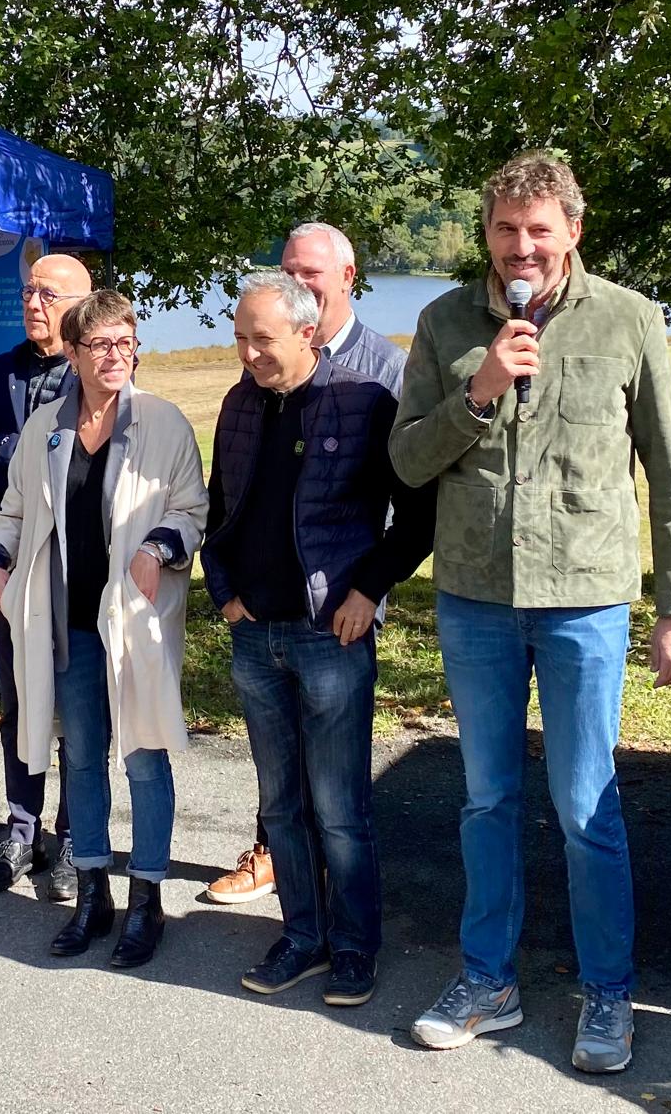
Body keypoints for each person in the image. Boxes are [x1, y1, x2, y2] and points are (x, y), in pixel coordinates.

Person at [391, 152, 671, 1073]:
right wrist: (478, 390)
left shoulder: (629, 320)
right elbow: (408, 460)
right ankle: (489, 979)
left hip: (586, 604)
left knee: (585, 805)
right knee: (486, 800)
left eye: (538, 229)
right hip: (476, 599)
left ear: (573, 228)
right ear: (485, 232)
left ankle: (608, 991)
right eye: (503, 228)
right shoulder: (445, 321)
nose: (520, 246)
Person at [202, 273, 434, 1005]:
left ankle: (354, 947)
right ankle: (302, 935)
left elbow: (417, 516)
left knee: (338, 807)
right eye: (239, 337)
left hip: (327, 636)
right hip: (254, 635)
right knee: (280, 806)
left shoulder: (364, 401)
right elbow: (220, 505)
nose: (247, 352)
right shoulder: (240, 403)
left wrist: (368, 589)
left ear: (307, 332)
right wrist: (224, 589)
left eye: (261, 339)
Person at [0, 290, 208, 969]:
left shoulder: (164, 424)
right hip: (67, 624)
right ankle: (92, 892)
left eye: (125, 341)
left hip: (134, 622)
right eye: (100, 344)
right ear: (73, 352)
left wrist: (159, 544)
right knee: (81, 757)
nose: (116, 355)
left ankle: (147, 899)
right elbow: (13, 512)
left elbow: (194, 510)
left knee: (143, 757)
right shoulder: (44, 427)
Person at [0, 253, 89, 899]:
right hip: (5, 572)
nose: (34, 302)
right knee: (17, 706)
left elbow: (84, 464)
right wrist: (28, 450)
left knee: (71, 711)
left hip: (72, 573)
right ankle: (21, 829)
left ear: (81, 303)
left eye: (49, 293)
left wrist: (10, 450)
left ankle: (70, 839)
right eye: (29, 291)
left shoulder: (95, 372)